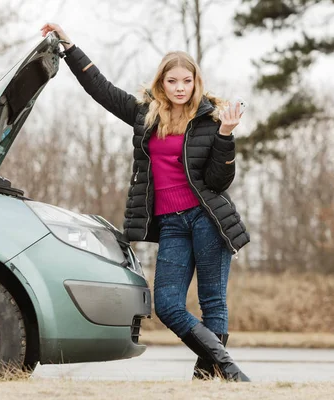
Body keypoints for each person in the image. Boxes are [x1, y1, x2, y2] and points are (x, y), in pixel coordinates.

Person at [41, 23, 251, 382]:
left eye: (187, 81)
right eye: (173, 81)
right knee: (168, 305)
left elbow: (219, 181)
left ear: (195, 82)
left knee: (213, 301)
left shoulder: (210, 121)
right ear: (162, 83)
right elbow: (101, 90)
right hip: (171, 223)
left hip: (207, 220)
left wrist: (226, 137)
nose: (180, 88)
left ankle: (211, 378)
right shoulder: (146, 115)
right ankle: (226, 366)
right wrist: (70, 47)